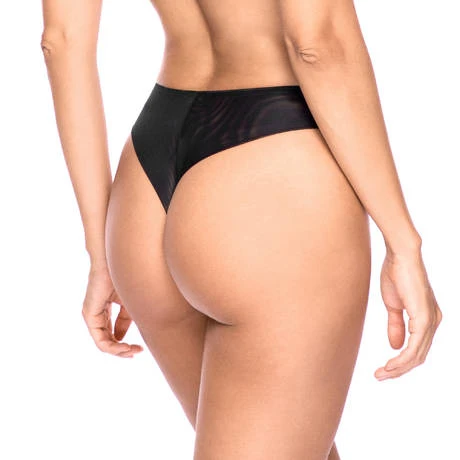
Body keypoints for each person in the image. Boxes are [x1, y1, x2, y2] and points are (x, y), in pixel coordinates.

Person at [40, 0, 442, 458]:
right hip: (267, 172)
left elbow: (61, 41)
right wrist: (402, 241)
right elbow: (316, 41)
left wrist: (101, 252)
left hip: (146, 183)